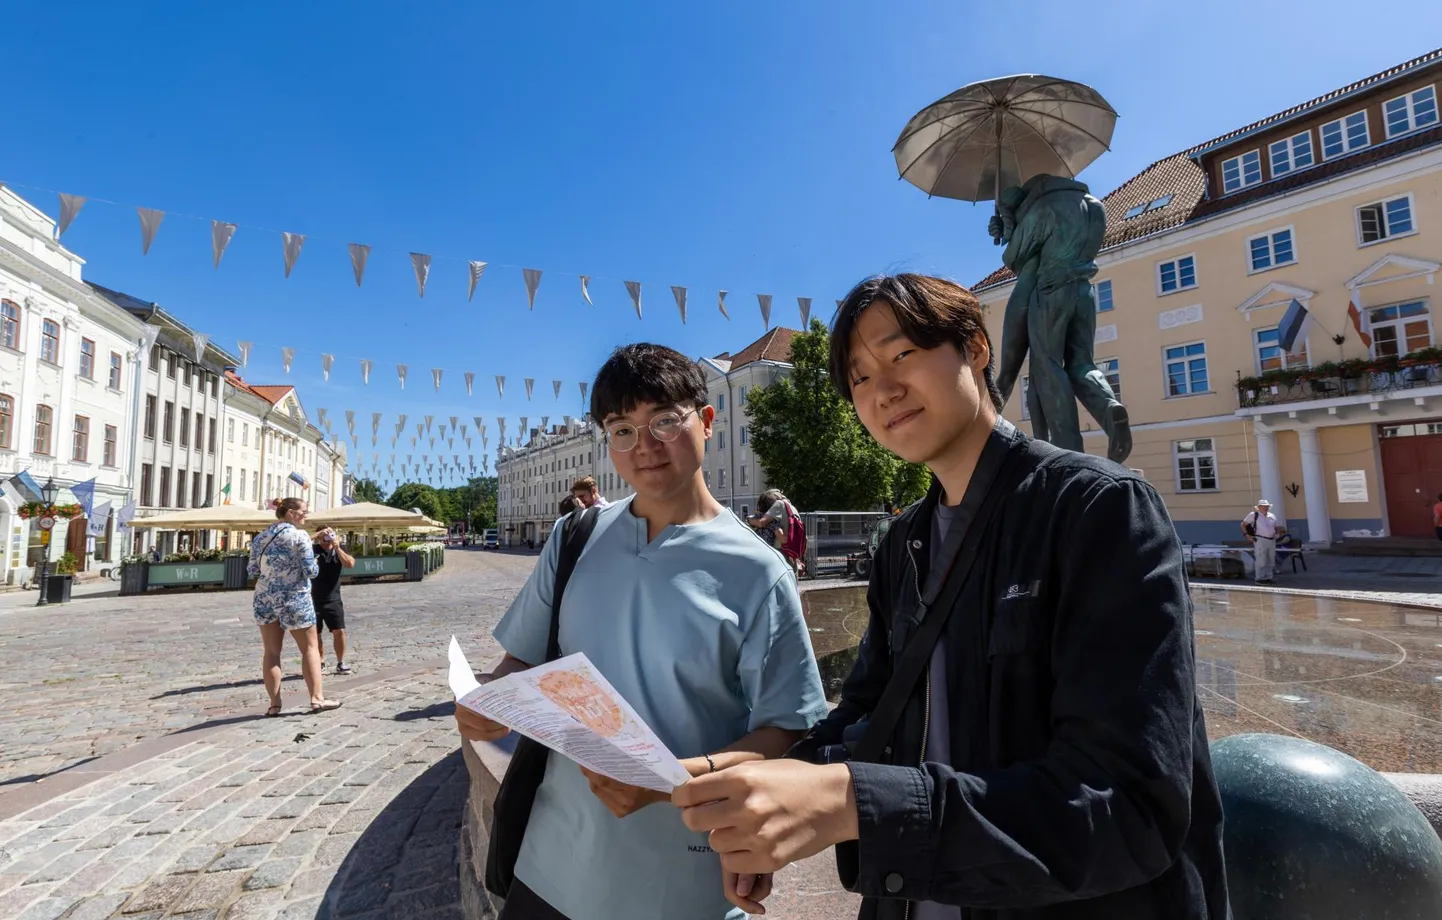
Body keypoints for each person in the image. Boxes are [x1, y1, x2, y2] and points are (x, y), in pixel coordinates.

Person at [674, 274, 1227, 920]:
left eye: (901, 354)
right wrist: (742, 779)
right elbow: (865, 721)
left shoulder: (1096, 511)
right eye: (858, 378)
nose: (882, 391)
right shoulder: (904, 542)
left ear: (975, 348)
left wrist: (850, 802)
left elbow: (1129, 803)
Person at [454, 343, 828, 920]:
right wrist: (488, 701)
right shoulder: (574, 537)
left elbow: (785, 731)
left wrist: (673, 780)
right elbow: (521, 663)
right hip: (551, 863)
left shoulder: (759, 571)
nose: (643, 446)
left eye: (663, 421)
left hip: (679, 884)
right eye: (621, 429)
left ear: (705, 421)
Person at [989, 175, 1131, 464]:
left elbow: (1014, 257)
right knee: (1082, 364)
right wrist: (1007, 226)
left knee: (1048, 368)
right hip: (1084, 291)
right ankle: (1109, 407)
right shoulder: (1094, 205)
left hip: (1051, 291)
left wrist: (1008, 226)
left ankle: (1068, 449)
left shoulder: (1043, 209)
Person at [249, 498, 342, 716]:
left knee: (271, 652)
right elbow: (311, 571)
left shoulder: (260, 537)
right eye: (304, 512)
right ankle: (317, 699)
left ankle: (274, 705)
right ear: (291, 513)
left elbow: (252, 569)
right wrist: (315, 564)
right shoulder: (299, 536)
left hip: (264, 598)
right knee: (309, 648)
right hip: (294, 598)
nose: (306, 515)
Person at [311, 526, 356, 674]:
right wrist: (317, 535)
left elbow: (350, 564)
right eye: (324, 535)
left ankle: (341, 662)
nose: (327, 538)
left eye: (330, 534)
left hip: (333, 598)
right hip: (312, 598)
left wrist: (337, 547)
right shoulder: (313, 549)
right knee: (315, 633)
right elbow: (298, 543)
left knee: (339, 630)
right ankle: (320, 661)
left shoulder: (339, 548)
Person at [747, 489, 801, 575]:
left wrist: (749, 520)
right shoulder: (792, 508)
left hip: (779, 553)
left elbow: (761, 523)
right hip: (792, 554)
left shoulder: (779, 504)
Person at [1242, 498, 1283, 585]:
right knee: (1261, 559)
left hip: (1271, 540)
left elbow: (1275, 527)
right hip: (1260, 539)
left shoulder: (1272, 516)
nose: (1265, 508)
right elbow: (1243, 524)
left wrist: (1278, 532)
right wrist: (1247, 535)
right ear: (1259, 507)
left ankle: (1268, 577)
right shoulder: (1253, 515)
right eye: (1263, 506)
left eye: (1267, 506)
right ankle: (1259, 578)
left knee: (1270, 559)